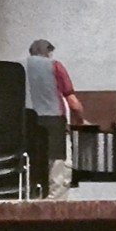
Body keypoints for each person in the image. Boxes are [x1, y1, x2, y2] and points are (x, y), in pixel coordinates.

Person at [25, 39, 84, 194]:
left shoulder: (21, 67)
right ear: (48, 52)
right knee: (58, 169)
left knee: (33, 168)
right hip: (54, 122)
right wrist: (79, 120)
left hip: (27, 123)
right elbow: (73, 103)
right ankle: (55, 207)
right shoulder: (55, 66)